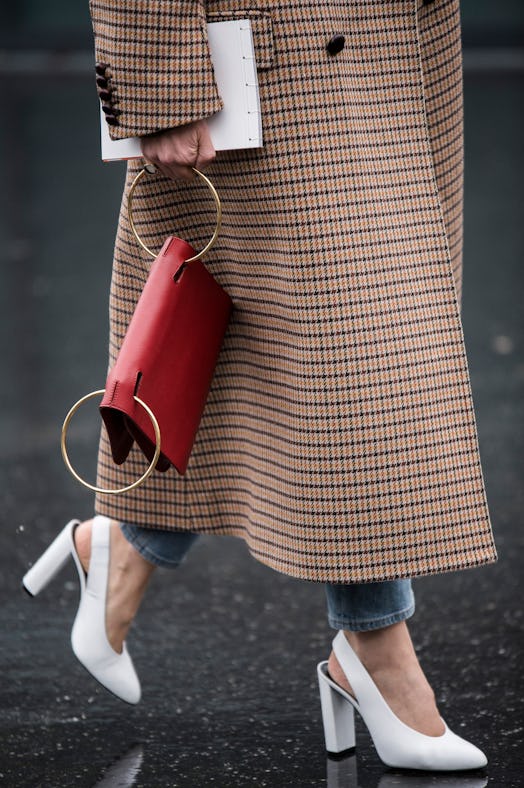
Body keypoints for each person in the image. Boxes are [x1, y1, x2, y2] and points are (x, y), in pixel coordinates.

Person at [23, 0, 497, 772]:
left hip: (392, 47)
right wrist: (158, 86)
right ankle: (375, 647)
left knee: (274, 337)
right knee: (357, 361)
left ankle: (127, 547)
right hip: (268, 59)